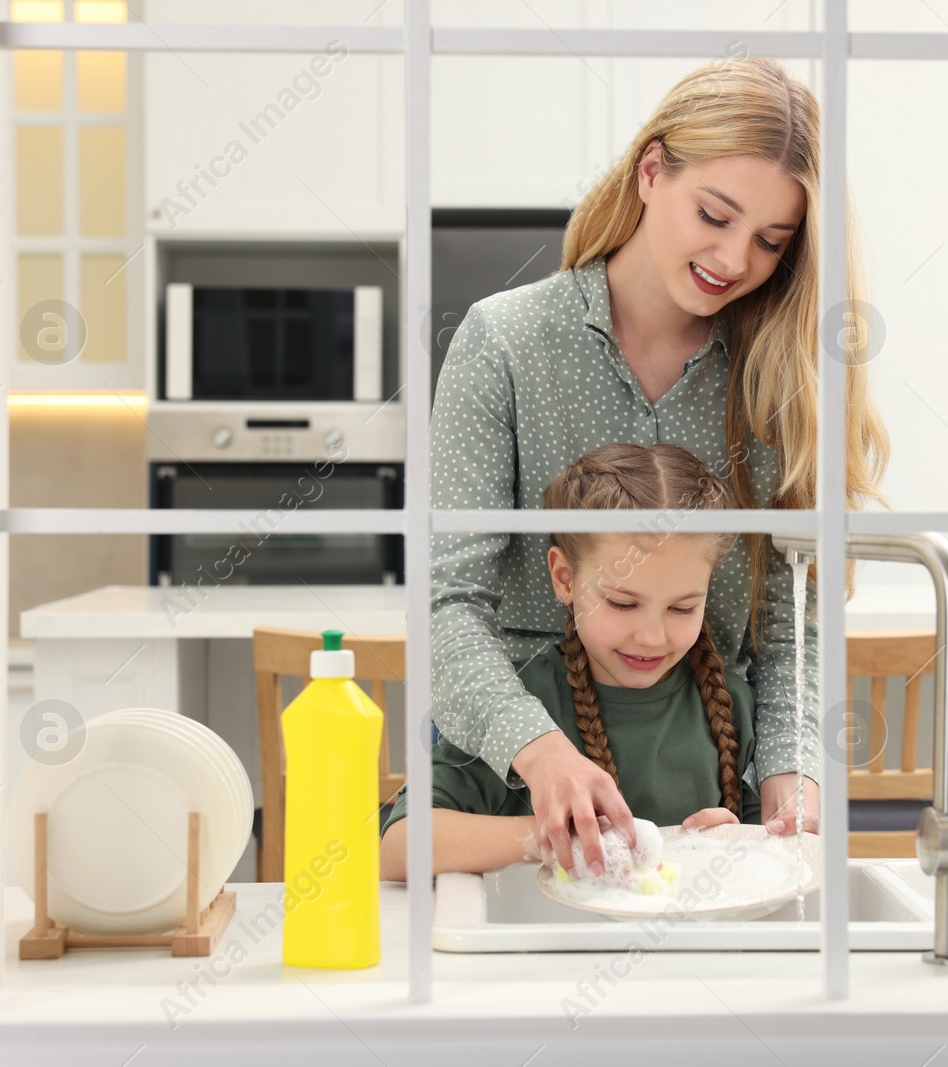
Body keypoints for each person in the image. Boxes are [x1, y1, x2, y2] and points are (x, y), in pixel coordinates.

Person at [426, 57, 889, 879]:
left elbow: (789, 627)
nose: (733, 257)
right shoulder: (504, 343)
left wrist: (788, 788)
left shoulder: (777, 380)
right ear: (650, 171)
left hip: (705, 772)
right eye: (714, 215)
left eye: (770, 241)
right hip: (511, 786)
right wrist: (539, 750)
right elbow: (447, 605)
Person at [380, 444, 761, 878]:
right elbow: (398, 846)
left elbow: (767, 856)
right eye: (621, 603)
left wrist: (733, 846)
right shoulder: (517, 709)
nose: (652, 637)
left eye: (682, 608)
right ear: (564, 578)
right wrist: (564, 838)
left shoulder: (730, 705)